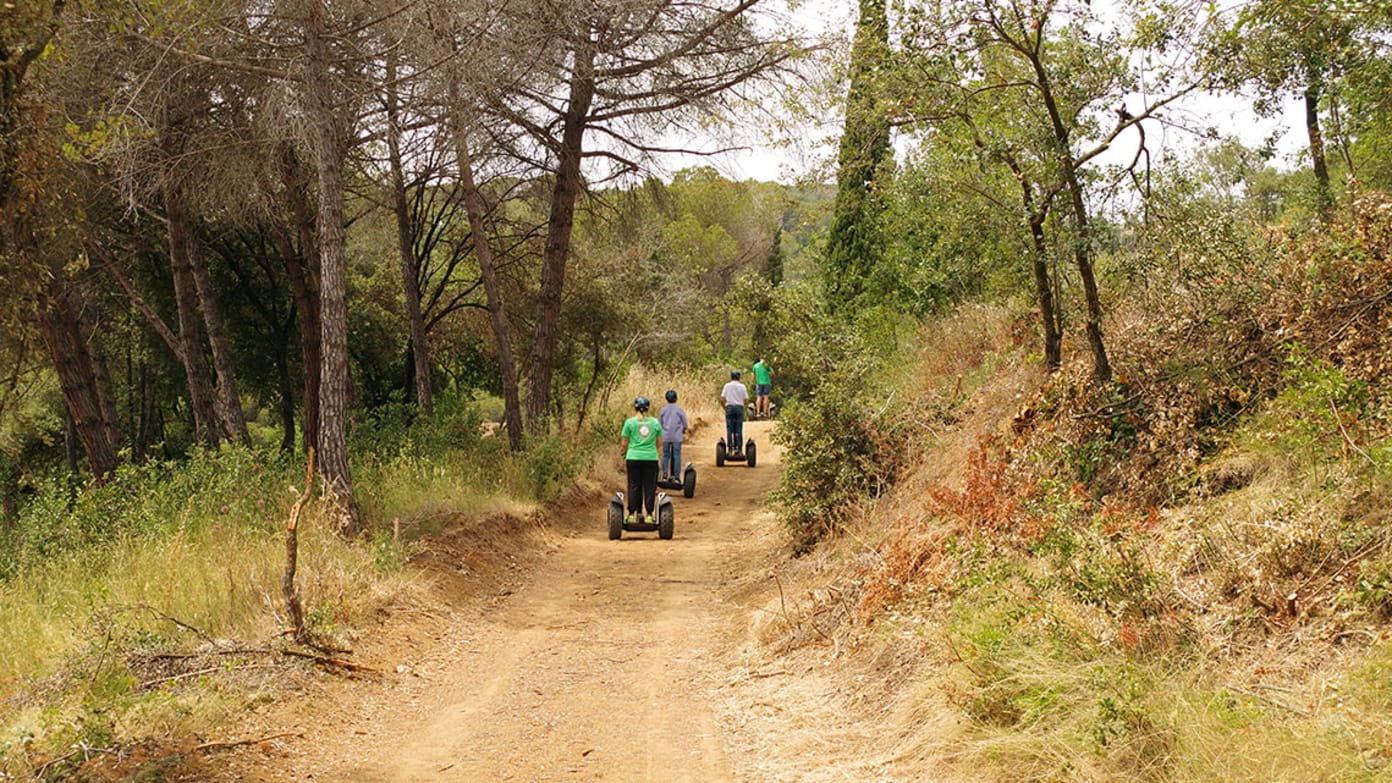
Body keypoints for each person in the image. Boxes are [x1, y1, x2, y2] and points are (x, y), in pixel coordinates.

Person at [621, 396, 662, 524]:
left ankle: (632, 515)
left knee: (634, 486)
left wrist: (627, 451)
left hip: (633, 458)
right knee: (650, 487)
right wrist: (649, 450)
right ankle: (649, 515)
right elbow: (660, 443)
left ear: (635, 408)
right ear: (648, 408)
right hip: (650, 458)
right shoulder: (655, 423)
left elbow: (624, 443)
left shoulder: (629, 423)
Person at [658, 389, 689, 482]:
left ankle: (664, 476)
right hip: (677, 437)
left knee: (666, 455)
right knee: (677, 455)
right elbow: (685, 424)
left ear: (666, 398)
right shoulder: (679, 410)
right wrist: (683, 430)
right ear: (676, 398)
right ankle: (676, 477)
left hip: (665, 436)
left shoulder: (663, 410)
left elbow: (659, 424)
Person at [720, 370, 749, 454]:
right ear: (739, 377)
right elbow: (746, 400)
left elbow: (722, 399)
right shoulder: (742, 386)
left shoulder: (727, 386)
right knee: (739, 429)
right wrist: (743, 406)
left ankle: (730, 449)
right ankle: (739, 449)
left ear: (731, 377)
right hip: (739, 408)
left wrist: (725, 408)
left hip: (729, 408)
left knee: (729, 429)